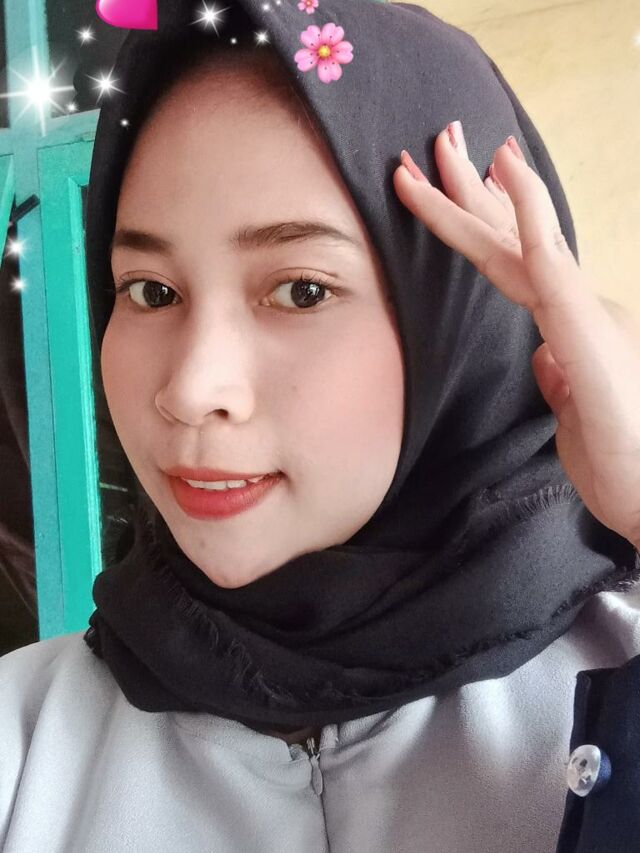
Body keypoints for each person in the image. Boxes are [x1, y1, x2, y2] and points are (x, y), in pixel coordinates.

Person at [1, 1, 640, 850]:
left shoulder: (615, 662)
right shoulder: (25, 744)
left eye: (301, 290)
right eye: (151, 291)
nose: (191, 389)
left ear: (466, 320)